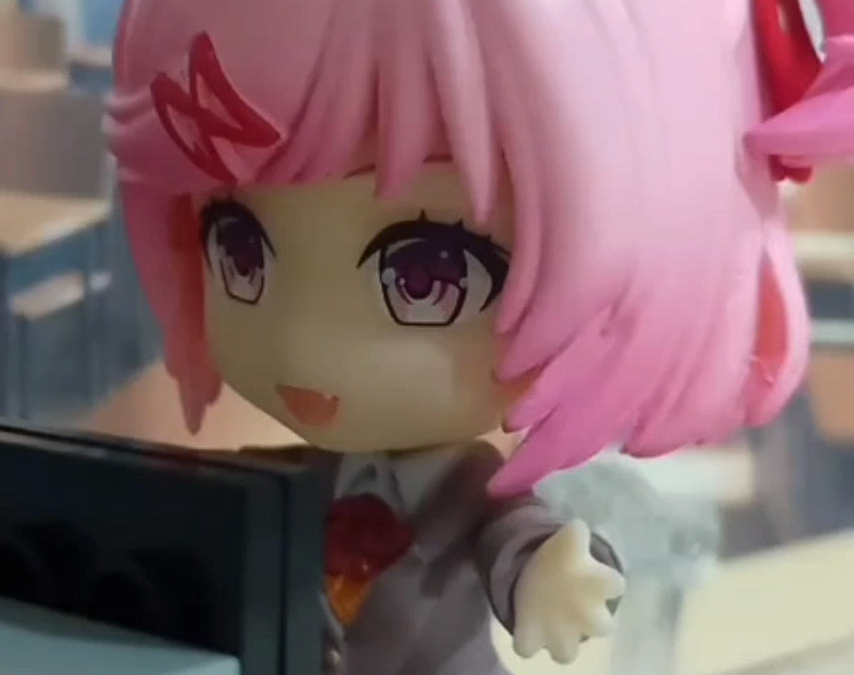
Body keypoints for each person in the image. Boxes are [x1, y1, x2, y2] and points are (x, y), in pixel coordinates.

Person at [106, 0, 853, 672]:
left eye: (426, 276)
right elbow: (246, 510)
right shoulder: (310, 478)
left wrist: (552, 577)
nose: (303, 343)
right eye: (240, 252)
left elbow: (519, 540)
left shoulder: (464, 488)